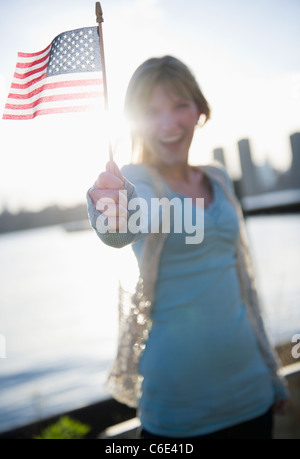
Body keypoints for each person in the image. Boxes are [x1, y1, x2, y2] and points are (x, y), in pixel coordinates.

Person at [87, 55, 289, 439]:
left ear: (199, 109)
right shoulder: (135, 180)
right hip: (179, 413)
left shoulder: (218, 177)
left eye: (180, 104)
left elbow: (245, 288)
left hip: (253, 395)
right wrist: (114, 211)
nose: (168, 123)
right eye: (151, 111)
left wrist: (273, 376)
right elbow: (125, 223)